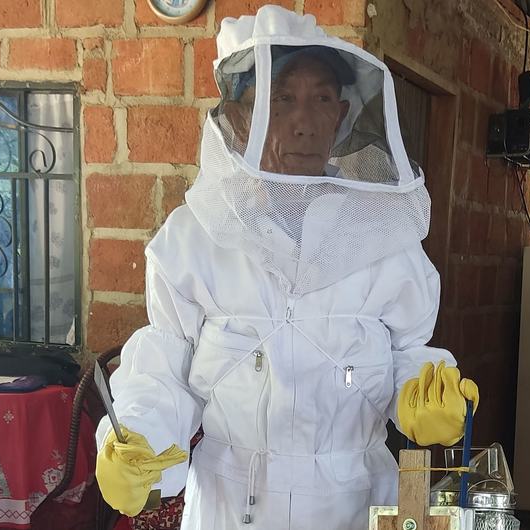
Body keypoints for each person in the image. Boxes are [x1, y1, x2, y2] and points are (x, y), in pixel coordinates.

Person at [93, 6, 479, 529]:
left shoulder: (383, 237)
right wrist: (136, 436)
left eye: (322, 99)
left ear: (341, 117)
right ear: (240, 118)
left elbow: (407, 352)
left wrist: (425, 394)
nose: (303, 121)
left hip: (356, 502)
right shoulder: (193, 239)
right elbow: (164, 367)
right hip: (232, 508)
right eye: (281, 99)